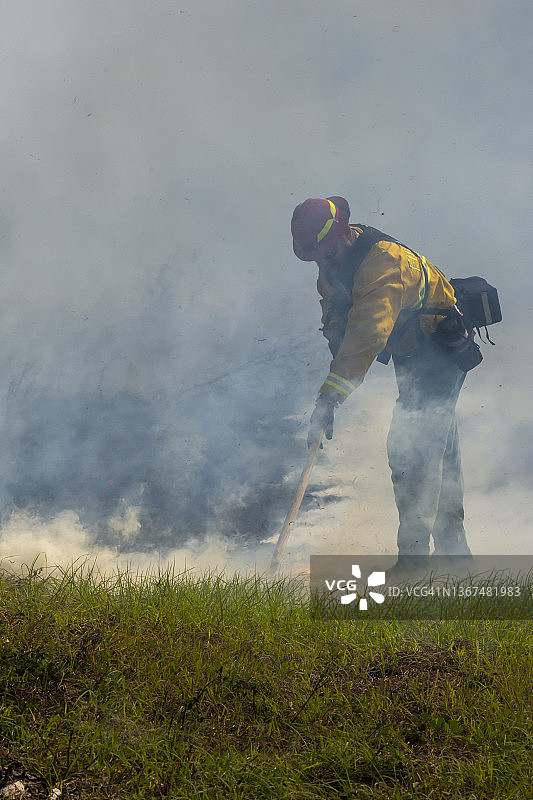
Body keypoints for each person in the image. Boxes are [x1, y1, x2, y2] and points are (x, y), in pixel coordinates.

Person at [290, 196, 473, 561]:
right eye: (317, 258)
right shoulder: (332, 263)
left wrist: (330, 397)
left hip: (439, 353)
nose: (323, 264)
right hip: (412, 354)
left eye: (326, 254)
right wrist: (335, 348)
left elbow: (368, 334)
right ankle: (455, 554)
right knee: (439, 451)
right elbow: (337, 319)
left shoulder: (383, 264)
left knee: (412, 450)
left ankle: (413, 562)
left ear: (343, 236)